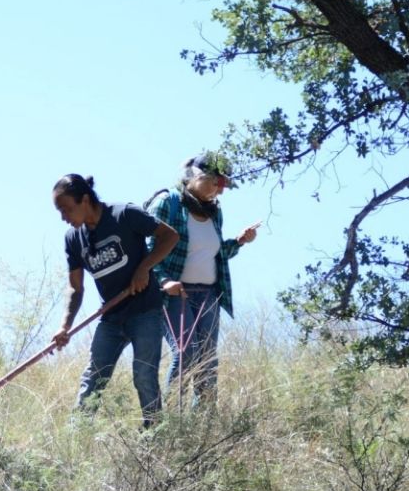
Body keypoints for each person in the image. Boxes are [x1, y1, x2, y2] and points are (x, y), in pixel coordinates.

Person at [51, 174, 179, 428]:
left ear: (84, 200)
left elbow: (169, 236)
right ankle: (76, 435)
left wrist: (144, 268)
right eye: (59, 211)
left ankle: (154, 434)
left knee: (144, 374)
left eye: (66, 209)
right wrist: (64, 326)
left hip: (145, 310)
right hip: (111, 317)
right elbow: (75, 289)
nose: (63, 216)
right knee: (93, 377)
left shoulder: (124, 215)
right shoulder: (73, 239)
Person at [147, 152, 258, 408]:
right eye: (217, 183)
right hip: (174, 294)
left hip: (208, 295)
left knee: (208, 360)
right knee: (186, 353)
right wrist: (164, 282)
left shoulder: (214, 213)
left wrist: (240, 241)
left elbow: (214, 255)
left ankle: (205, 423)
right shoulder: (168, 203)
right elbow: (149, 251)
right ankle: (172, 418)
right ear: (197, 177)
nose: (221, 190)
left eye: (224, 185)